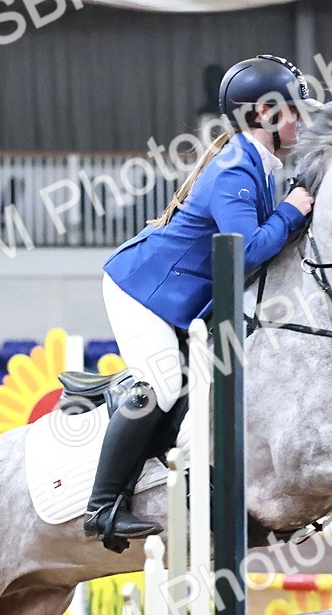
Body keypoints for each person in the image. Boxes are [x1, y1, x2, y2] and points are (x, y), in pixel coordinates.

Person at [84, 54, 318, 547]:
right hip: (144, 292)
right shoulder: (236, 169)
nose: (303, 119)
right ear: (267, 116)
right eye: (295, 110)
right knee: (163, 385)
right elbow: (246, 252)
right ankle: (101, 508)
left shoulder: (259, 165)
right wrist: (293, 212)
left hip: (179, 298)